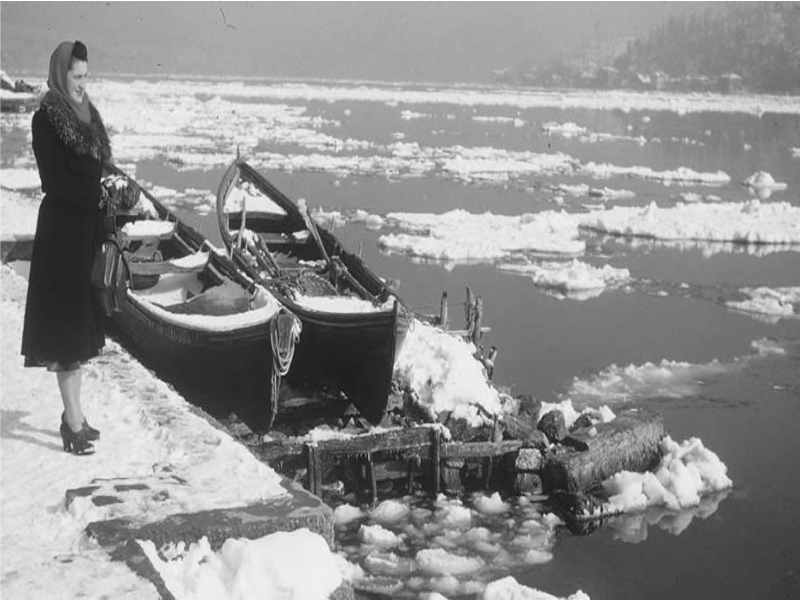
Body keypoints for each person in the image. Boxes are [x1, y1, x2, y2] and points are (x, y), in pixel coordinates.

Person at [21, 40, 112, 455]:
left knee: (80, 337)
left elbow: (97, 172)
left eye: (85, 76)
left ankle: (75, 415)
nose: (81, 84)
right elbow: (54, 182)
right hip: (61, 237)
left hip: (85, 235)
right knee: (66, 339)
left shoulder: (89, 117)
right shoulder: (47, 119)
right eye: (75, 76)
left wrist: (110, 192)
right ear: (61, 75)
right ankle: (72, 422)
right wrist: (94, 194)